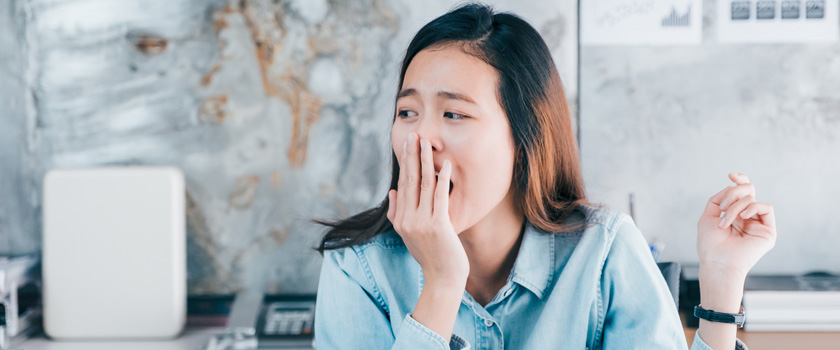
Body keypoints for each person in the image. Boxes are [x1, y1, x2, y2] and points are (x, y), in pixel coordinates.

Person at [313, 3, 776, 350]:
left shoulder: (603, 253)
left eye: (453, 114)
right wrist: (441, 283)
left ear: (525, 136)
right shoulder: (357, 266)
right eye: (407, 112)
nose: (420, 139)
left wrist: (721, 282)